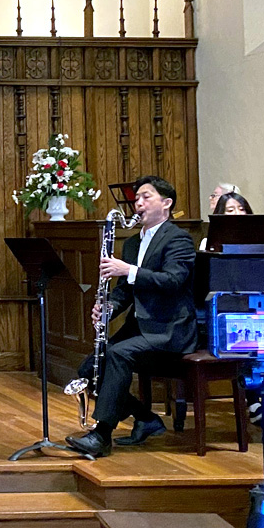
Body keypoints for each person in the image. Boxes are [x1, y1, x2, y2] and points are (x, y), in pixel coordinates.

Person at [65, 175, 197, 458]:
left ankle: (101, 435)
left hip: (170, 330)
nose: (138, 203)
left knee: (118, 355)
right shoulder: (133, 245)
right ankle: (146, 419)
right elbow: (126, 290)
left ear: (166, 203)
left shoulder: (179, 239)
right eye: (136, 199)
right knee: (89, 369)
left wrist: (129, 270)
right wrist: (109, 306)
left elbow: (173, 280)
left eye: (146, 197)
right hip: (140, 327)